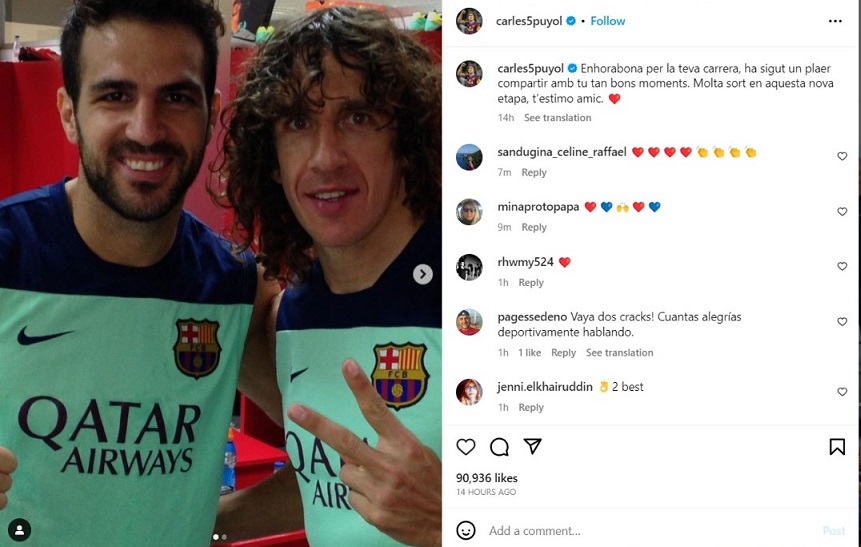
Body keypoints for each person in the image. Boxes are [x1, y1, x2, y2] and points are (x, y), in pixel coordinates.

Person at [0, 1, 280, 545]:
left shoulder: (236, 287)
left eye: (176, 98)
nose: (146, 129)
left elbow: (344, 458)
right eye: (115, 95)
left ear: (210, 114)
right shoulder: (10, 252)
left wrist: (203, 521)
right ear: (68, 113)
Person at [215, 6, 441, 547]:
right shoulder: (290, 314)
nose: (325, 157)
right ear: (271, 159)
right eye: (297, 122)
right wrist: (194, 524)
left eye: (357, 117)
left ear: (406, 140)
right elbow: (334, 485)